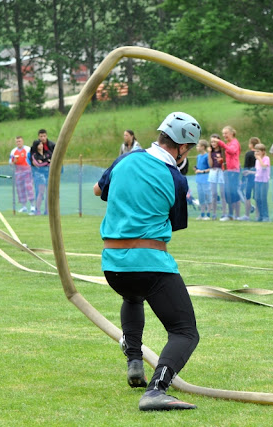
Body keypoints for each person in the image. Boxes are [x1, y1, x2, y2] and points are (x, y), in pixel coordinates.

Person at [93, 111, 201, 411]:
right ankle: (156, 390)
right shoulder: (175, 178)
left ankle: (134, 361)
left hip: (113, 266)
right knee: (185, 332)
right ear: (182, 147)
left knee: (132, 296)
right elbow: (176, 224)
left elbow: (99, 190)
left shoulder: (125, 159)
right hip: (150, 264)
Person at [216, 126, 242, 221]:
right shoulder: (228, 143)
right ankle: (231, 214)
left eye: (226, 133)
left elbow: (232, 151)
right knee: (228, 193)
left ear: (231, 133)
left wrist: (221, 144)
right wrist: (222, 160)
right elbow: (229, 156)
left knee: (233, 193)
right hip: (227, 171)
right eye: (223, 133)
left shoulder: (234, 143)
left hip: (233, 171)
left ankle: (236, 215)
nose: (224, 135)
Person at [9, 136, 35, 215]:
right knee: (20, 189)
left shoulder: (27, 149)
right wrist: (14, 161)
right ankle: (24, 206)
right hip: (18, 172)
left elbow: (32, 159)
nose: (18, 143)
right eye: (17, 141)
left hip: (27, 171)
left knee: (29, 187)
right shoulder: (13, 151)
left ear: (22, 141)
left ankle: (32, 206)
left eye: (20, 141)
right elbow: (10, 162)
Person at [207, 134, 227, 220]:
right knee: (214, 194)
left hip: (221, 172)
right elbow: (210, 164)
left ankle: (224, 213)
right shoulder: (211, 152)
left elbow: (225, 163)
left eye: (215, 141)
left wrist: (222, 161)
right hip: (213, 171)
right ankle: (214, 213)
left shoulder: (223, 151)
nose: (213, 143)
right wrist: (209, 153)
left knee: (222, 193)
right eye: (212, 142)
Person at [240, 137, 258, 221]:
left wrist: (243, 179)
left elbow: (246, 167)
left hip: (249, 177)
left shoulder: (249, 154)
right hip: (258, 177)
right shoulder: (259, 154)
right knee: (256, 196)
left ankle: (247, 215)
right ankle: (258, 215)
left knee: (248, 196)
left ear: (251, 144)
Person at [31, 140, 51, 215]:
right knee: (41, 192)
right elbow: (38, 164)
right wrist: (47, 162)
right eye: (39, 144)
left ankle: (47, 210)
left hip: (48, 174)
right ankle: (38, 210)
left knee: (48, 193)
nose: (41, 145)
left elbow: (51, 162)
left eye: (42, 144)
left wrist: (44, 162)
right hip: (40, 175)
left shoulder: (47, 153)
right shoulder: (35, 155)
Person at [193, 139, 211, 220]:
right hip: (199, 179)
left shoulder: (207, 156)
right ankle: (202, 213)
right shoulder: (198, 156)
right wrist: (196, 169)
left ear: (203, 147)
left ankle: (208, 213)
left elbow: (210, 168)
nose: (197, 147)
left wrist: (202, 171)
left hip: (205, 179)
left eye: (198, 146)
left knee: (207, 196)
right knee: (201, 196)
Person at [253, 142, 271, 222]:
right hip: (257, 180)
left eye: (258, 151)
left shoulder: (266, 158)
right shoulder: (257, 161)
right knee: (257, 198)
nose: (256, 153)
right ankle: (260, 215)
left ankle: (265, 216)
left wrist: (259, 159)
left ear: (263, 152)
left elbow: (264, 167)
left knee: (263, 198)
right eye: (255, 151)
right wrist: (250, 172)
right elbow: (258, 171)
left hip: (264, 181)